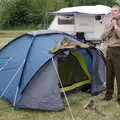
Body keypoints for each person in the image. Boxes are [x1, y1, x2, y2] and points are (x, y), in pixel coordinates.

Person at [101, 5, 120, 104]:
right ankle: (108, 95)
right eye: (112, 11)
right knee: (109, 74)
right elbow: (102, 37)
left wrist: (116, 26)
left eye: (116, 11)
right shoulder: (109, 23)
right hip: (109, 50)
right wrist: (110, 27)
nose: (113, 13)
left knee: (119, 74)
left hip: (118, 50)